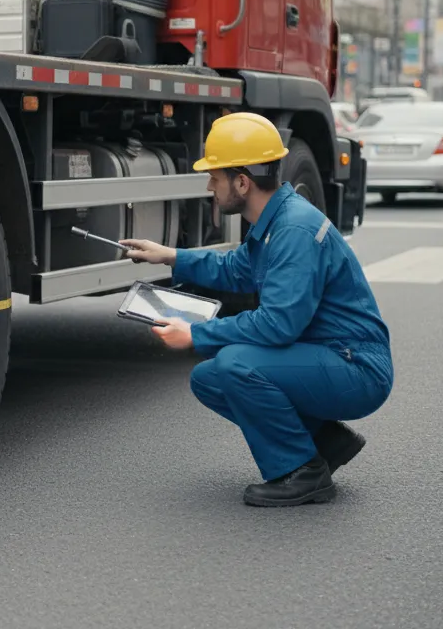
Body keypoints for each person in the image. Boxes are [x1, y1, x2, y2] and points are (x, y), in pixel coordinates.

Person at [120, 112, 394, 507]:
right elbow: (236, 270)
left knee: (235, 364)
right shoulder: (275, 219)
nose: (210, 186)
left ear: (243, 181)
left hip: (356, 368)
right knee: (210, 378)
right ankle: (323, 440)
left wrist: (194, 334)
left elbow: (278, 325)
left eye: (215, 177)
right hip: (330, 355)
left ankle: (302, 472)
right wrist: (170, 256)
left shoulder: (293, 230)